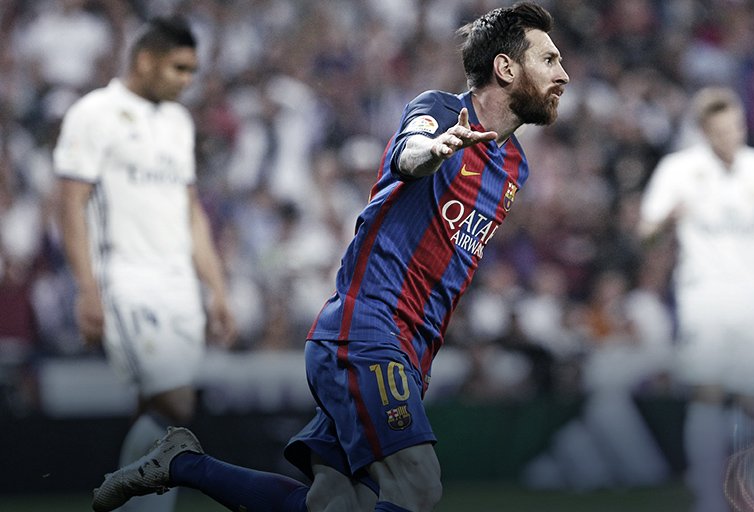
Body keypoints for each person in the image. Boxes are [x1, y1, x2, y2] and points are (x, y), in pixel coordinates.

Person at [91, 3, 568, 512]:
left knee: (332, 504)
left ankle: (181, 464)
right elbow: (408, 153)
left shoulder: (514, 166)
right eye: (549, 60)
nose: (563, 74)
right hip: (368, 331)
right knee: (418, 485)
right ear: (505, 68)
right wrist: (433, 151)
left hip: (413, 349)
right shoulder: (442, 112)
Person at [54, 16, 236, 512]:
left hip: (178, 283)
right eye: (178, 68)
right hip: (125, 279)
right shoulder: (95, 113)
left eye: (192, 70)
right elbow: (70, 203)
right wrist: (86, 287)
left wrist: (217, 289)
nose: (186, 80)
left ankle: (128, 503)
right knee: (177, 403)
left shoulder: (178, 123)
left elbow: (191, 212)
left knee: (155, 410)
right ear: (145, 60)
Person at [637, 87, 754, 512]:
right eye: (722, 131)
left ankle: (744, 488)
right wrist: (666, 221)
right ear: (704, 132)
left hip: (753, 298)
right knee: (707, 392)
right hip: (703, 297)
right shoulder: (678, 170)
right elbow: (645, 232)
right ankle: (709, 495)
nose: (732, 138)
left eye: (737, 128)